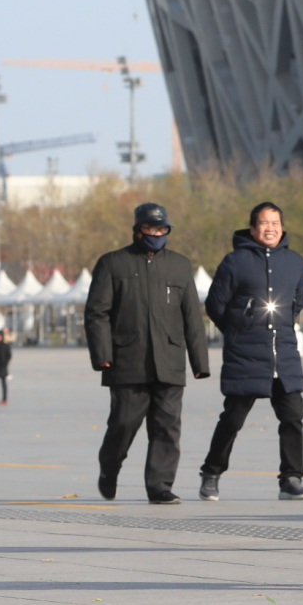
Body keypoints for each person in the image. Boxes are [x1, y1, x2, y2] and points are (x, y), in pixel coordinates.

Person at [85, 201, 212, 504]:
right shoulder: (112, 263)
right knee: (123, 423)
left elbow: (192, 317)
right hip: (127, 361)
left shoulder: (179, 265)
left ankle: (160, 486)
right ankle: (109, 466)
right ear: (138, 230)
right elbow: (96, 313)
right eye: (151, 228)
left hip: (169, 360)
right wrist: (102, 353)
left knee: (167, 427)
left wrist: (200, 362)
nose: (157, 233)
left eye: (162, 228)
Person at [200, 202, 303, 501]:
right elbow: (215, 305)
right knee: (233, 419)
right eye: (264, 223)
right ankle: (211, 472)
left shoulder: (295, 262)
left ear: (282, 226)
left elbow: (296, 304)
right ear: (252, 229)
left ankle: (291, 478)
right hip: (245, 355)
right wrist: (239, 329)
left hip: (284, 355)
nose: (270, 228)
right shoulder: (234, 262)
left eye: (275, 222)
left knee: (293, 418)